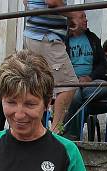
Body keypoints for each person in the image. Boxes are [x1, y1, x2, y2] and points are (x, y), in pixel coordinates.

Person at [22, 0, 77, 133]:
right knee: (68, 85)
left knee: (37, 85)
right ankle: (55, 132)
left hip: (34, 33)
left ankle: (34, 130)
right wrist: (75, 14)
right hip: (46, 36)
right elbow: (53, 2)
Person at [63, 10, 107, 140]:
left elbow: (102, 65)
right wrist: (74, 80)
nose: (86, 20)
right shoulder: (64, 40)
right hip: (70, 82)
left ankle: (67, 131)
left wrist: (90, 78)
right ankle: (74, 136)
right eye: (82, 17)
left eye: (85, 17)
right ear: (72, 21)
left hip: (89, 83)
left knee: (105, 86)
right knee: (75, 96)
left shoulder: (93, 38)